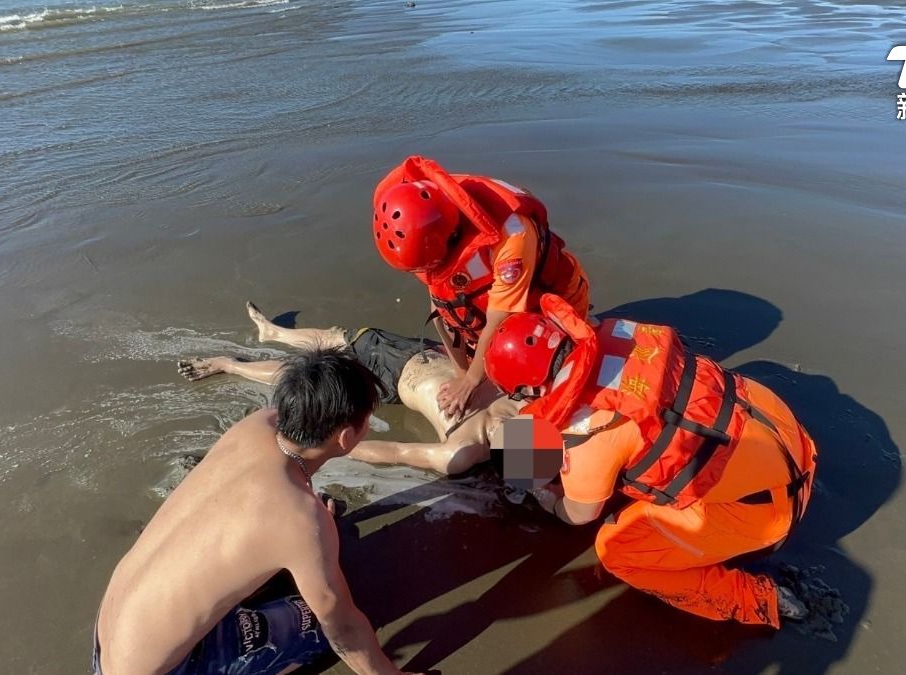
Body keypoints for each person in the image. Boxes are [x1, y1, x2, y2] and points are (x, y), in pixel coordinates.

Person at [482, 294, 819, 627]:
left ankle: (755, 599)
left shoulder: (584, 438)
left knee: (615, 549)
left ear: (533, 388)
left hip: (765, 509)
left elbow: (578, 515)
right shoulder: (615, 332)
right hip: (785, 433)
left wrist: (549, 500)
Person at [95, 346, 420, 675]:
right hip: (161, 670)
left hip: (109, 635)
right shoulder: (300, 519)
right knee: (318, 627)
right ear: (347, 437)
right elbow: (344, 630)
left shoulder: (258, 424)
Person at [176, 301, 523, 476]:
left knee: (312, 375)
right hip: (429, 349)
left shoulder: (462, 451)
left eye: (505, 439)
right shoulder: (525, 405)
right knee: (338, 336)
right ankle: (274, 334)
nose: (504, 425)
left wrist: (328, 447)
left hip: (391, 372)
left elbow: (397, 452)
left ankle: (230, 364)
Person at [371, 155, 590, 419]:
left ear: (451, 235)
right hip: (492, 300)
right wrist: (460, 372)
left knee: (523, 355)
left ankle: (573, 339)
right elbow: (440, 305)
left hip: (554, 295)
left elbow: (500, 318)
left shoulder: (512, 236)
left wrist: (472, 381)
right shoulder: (428, 230)